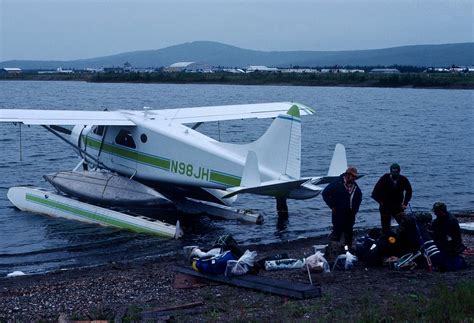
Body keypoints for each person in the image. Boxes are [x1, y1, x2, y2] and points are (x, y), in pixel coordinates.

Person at [322, 166, 362, 247]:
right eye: (353, 176)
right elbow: (325, 193)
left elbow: (359, 197)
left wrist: (355, 210)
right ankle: (334, 252)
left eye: (355, 177)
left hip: (350, 214)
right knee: (337, 233)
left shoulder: (355, 186)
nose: (354, 178)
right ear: (347, 175)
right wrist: (332, 206)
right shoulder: (336, 183)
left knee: (349, 234)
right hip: (338, 212)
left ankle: (348, 251)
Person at [371, 163, 412, 234]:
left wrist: (405, 203)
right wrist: (381, 202)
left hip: (398, 207)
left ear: (399, 171)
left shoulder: (403, 179)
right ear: (390, 171)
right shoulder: (384, 178)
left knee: (405, 225)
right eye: (393, 172)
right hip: (385, 208)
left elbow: (409, 191)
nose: (395, 174)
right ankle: (386, 242)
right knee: (385, 229)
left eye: (396, 172)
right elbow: (374, 193)